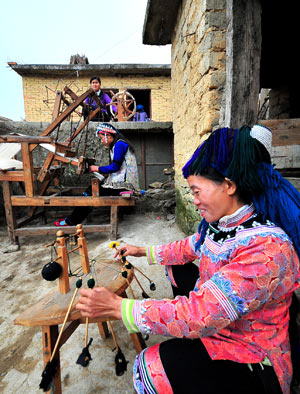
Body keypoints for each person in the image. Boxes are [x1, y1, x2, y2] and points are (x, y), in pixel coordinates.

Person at [75, 125, 300, 394]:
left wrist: (120, 308)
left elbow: (201, 314)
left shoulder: (267, 248)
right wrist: (141, 251)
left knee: (152, 366)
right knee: (176, 267)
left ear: (228, 185)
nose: (193, 201)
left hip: (251, 352)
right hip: (223, 323)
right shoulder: (225, 225)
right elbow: (188, 247)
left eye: (196, 191)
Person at [54, 122, 139, 226]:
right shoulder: (117, 145)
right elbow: (117, 167)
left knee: (90, 193)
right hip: (122, 182)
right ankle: (72, 220)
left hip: (124, 185)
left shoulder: (119, 144)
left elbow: (115, 167)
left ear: (108, 135)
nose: (101, 140)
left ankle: (71, 221)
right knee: (90, 192)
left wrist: (97, 168)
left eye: (102, 137)